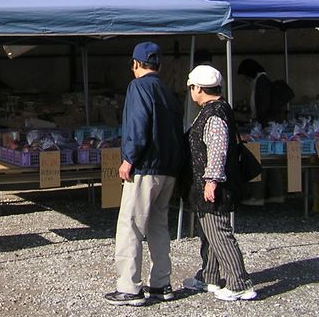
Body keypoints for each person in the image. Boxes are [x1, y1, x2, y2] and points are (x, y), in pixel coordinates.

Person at [104, 42, 185, 307]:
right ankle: (161, 283)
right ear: (159, 65)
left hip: (145, 167)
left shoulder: (138, 87)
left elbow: (138, 124)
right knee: (159, 225)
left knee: (131, 225)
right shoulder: (168, 91)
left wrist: (129, 158)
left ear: (136, 64)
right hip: (168, 169)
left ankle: (129, 287)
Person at [183, 64, 257, 301]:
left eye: (191, 87)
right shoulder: (217, 109)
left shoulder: (214, 115)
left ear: (198, 88)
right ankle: (210, 276)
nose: (191, 92)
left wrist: (211, 180)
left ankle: (239, 282)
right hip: (209, 182)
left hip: (215, 184)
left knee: (220, 232)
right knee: (210, 232)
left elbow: (217, 150)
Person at [237, 58, 285, 205]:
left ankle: (257, 196)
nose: (245, 79)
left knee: (259, 159)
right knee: (271, 162)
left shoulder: (261, 82)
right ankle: (277, 194)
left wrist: (256, 120)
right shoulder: (264, 80)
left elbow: (262, 106)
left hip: (265, 127)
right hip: (270, 127)